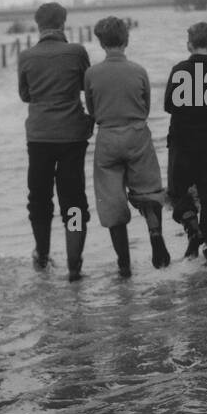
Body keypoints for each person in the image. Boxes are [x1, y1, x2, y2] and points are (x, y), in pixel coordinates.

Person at [84, 16, 170, 277]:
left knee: (111, 200)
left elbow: (91, 108)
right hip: (136, 133)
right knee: (148, 189)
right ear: (126, 40)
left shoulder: (91, 74)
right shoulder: (138, 70)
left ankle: (124, 264)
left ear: (100, 42)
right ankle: (155, 232)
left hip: (107, 135)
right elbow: (146, 107)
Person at [17, 2, 92, 280]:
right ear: (63, 23)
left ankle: (43, 256)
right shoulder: (77, 52)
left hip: (39, 137)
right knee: (73, 200)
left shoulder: (26, 56)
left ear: (38, 25)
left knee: (39, 198)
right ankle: (74, 265)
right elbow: (87, 85)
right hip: (72, 134)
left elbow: (24, 95)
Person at [164, 19, 207, 265]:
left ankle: (191, 223)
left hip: (182, 143)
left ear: (189, 45)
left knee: (177, 189)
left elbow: (169, 105)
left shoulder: (179, 70)